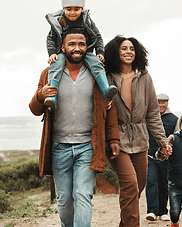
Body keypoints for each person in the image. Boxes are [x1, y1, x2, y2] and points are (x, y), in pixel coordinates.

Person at [28, 29, 120, 227]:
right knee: (64, 199)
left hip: (88, 146)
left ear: (87, 47)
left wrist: (113, 139)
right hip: (58, 146)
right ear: (62, 47)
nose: (77, 48)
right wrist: (40, 96)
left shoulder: (97, 73)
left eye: (82, 44)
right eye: (72, 44)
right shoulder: (49, 72)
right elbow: (35, 110)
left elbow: (109, 107)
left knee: (83, 195)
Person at [104, 35, 169, 227]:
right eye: (124, 48)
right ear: (116, 52)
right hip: (116, 139)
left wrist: (163, 141)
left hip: (141, 139)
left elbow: (153, 113)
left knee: (137, 188)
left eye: (131, 49)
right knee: (130, 186)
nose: (128, 52)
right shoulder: (107, 77)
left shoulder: (145, 78)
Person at [44, 0, 117, 107]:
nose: (72, 12)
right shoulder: (59, 21)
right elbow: (50, 38)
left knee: (96, 63)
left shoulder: (87, 20)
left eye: (76, 9)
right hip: (64, 51)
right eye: (69, 9)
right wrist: (52, 53)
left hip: (85, 50)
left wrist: (100, 52)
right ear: (63, 9)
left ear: (82, 9)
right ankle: (53, 97)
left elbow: (97, 36)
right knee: (56, 64)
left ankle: (105, 90)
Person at [145, 93, 179, 222]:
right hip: (149, 155)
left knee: (164, 183)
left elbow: (176, 138)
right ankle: (152, 211)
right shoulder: (148, 117)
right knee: (151, 181)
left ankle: (163, 211)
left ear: (167, 103)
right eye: (158, 102)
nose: (161, 105)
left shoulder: (174, 119)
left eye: (164, 102)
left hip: (166, 158)